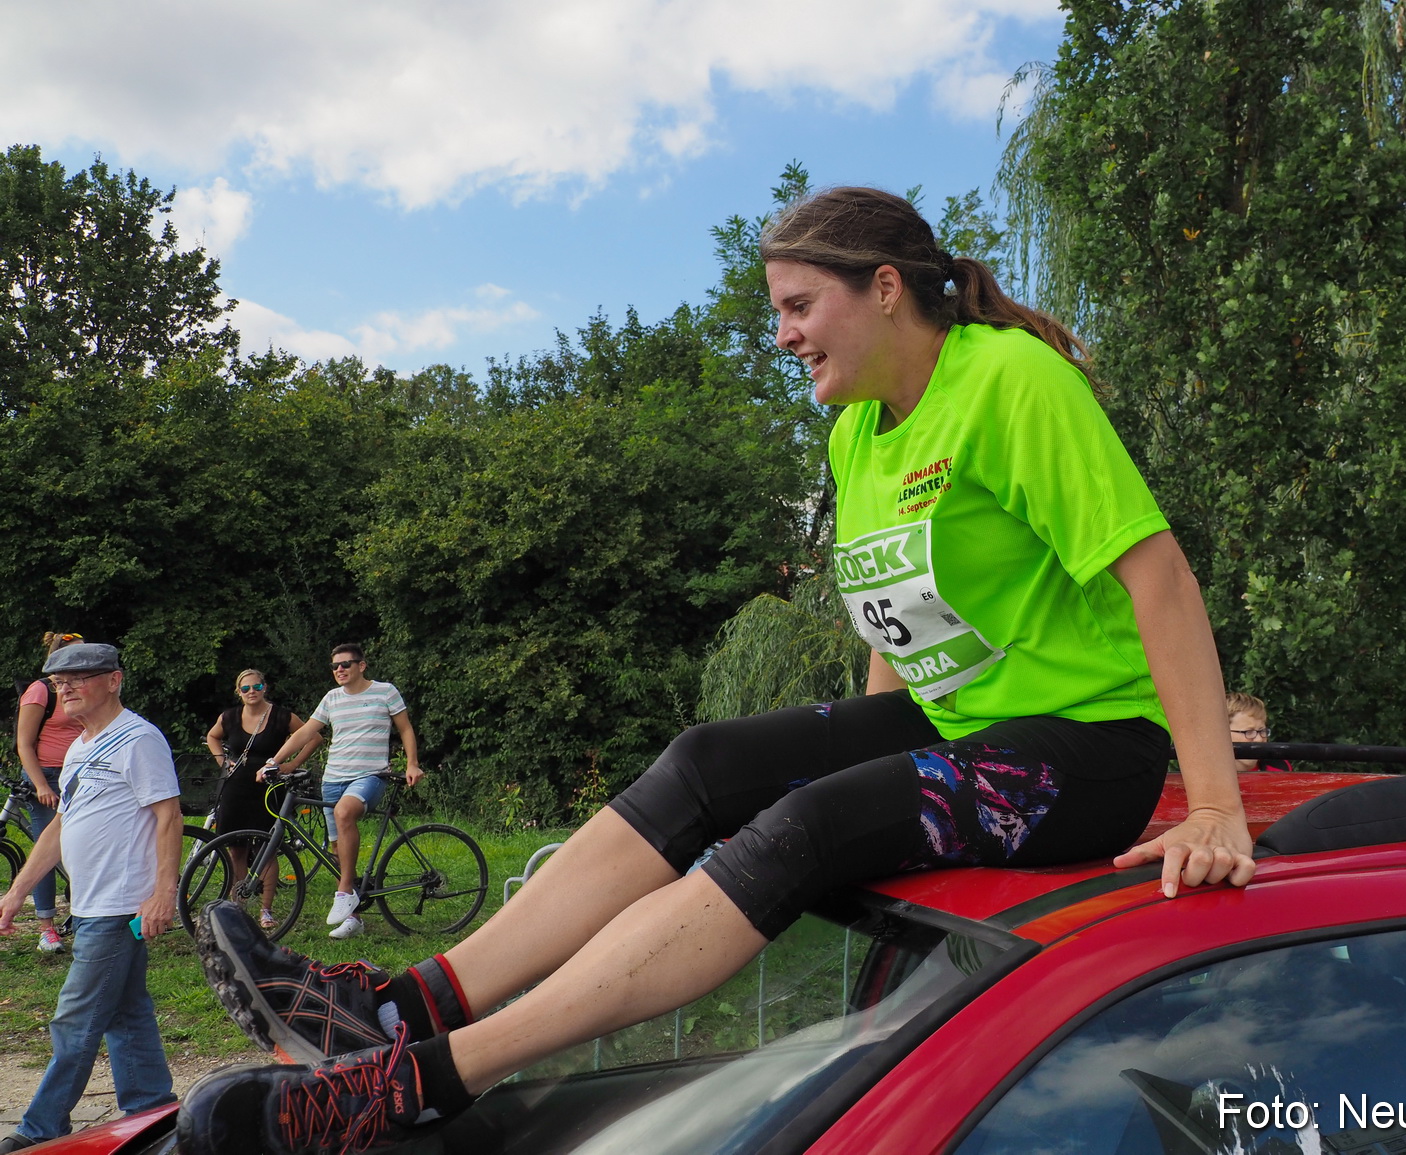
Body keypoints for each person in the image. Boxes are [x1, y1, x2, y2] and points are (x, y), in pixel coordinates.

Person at [178, 186, 1258, 1155]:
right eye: (776, 313)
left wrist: (1212, 802)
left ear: (885, 289)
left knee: (805, 828)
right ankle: (406, 1005)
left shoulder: (1009, 382)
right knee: (707, 760)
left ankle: (420, 1084)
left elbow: (1153, 574)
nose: (783, 335)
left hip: (1083, 748)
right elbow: (902, 615)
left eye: (797, 307)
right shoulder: (856, 434)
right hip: (959, 721)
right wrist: (873, 753)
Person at [0, 643, 180, 1152]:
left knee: (76, 1018)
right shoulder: (81, 745)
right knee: (126, 1012)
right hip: (90, 903)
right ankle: (152, 1110)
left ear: (114, 680)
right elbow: (61, 824)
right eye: (59, 683)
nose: (67, 688)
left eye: (80, 678)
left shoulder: (138, 739)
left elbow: (168, 815)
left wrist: (162, 893)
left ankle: (41, 1130)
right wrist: (16, 893)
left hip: (120, 904)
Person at [257, 643, 421, 940]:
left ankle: (344, 891)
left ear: (362, 665)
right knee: (337, 850)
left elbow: (406, 728)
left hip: (370, 775)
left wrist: (412, 763)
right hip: (333, 779)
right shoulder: (332, 698)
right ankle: (354, 917)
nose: (340, 670)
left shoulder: (385, 692)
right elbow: (306, 732)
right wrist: (274, 761)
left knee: (345, 813)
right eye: (335, 666)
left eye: (346, 664)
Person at [203, 669, 317, 929]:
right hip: (235, 788)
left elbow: (314, 737)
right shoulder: (229, 717)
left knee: (267, 848)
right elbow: (212, 736)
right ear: (238, 692)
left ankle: (266, 910)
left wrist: (292, 764)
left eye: (256, 686)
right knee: (236, 849)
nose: (251, 691)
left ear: (265, 687)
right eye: (245, 688)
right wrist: (222, 761)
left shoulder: (282, 716)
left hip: (268, 788)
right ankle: (238, 907)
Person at [12, 631, 86, 952]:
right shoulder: (41, 692)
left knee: (83, 851)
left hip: (81, 775)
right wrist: (41, 785)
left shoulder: (86, 691)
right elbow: (24, 744)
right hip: (47, 778)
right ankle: (46, 929)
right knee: (46, 852)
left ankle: (85, 919)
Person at [1227, 692, 1292, 772]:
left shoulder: (1279, 767)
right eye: (1249, 732)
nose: (1259, 739)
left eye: (1262, 731)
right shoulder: (1211, 774)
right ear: (1224, 734)